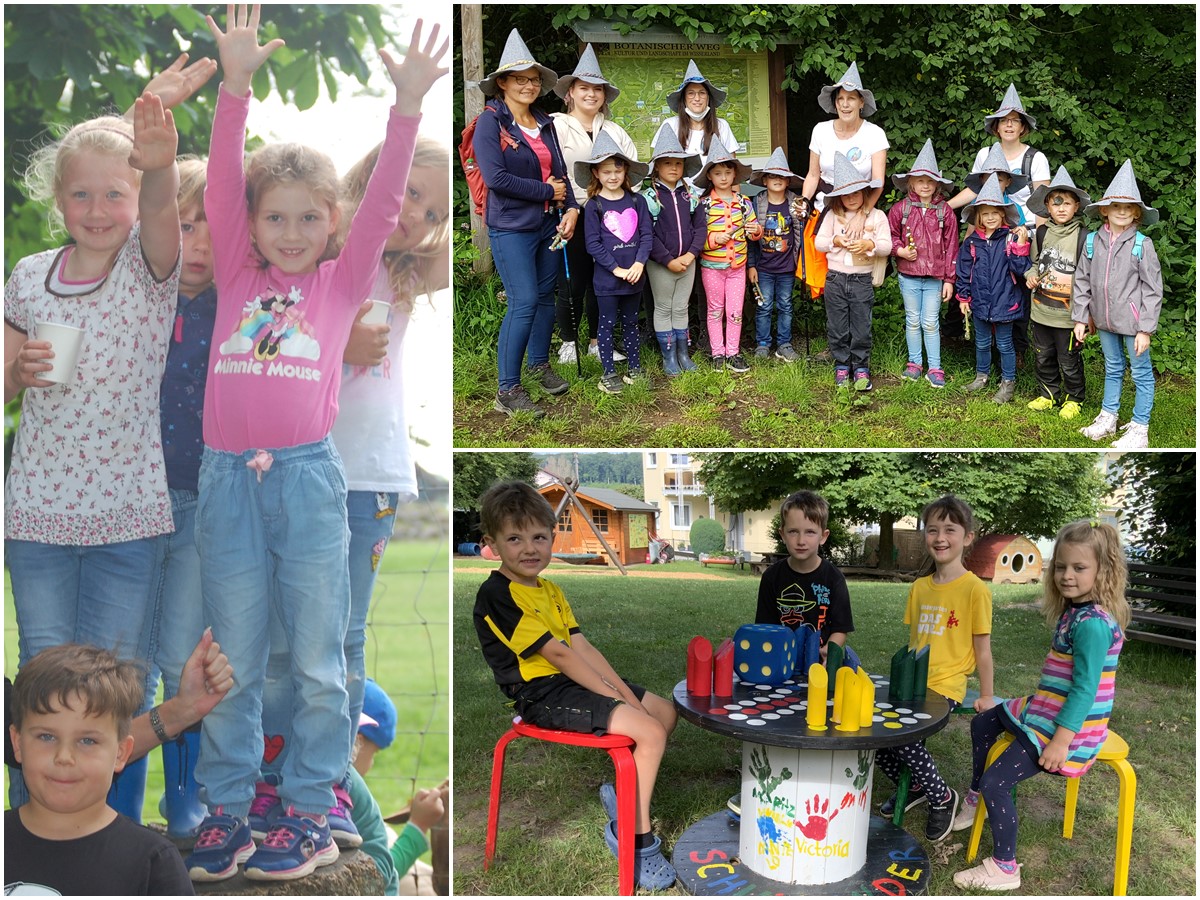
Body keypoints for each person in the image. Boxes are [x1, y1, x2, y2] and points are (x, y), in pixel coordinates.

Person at [184, 7, 445, 882]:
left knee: (323, 659)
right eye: (274, 218)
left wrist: (405, 108)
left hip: (307, 483)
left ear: (332, 225)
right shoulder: (234, 274)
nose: (290, 233)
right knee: (235, 656)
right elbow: (222, 181)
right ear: (250, 225)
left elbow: (381, 204)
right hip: (227, 484)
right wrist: (237, 86)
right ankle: (226, 812)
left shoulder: (339, 283)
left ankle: (306, 808)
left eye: (308, 219)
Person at [4, 93, 182, 821]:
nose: (99, 207)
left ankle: (114, 834)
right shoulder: (27, 275)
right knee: (43, 685)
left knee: (116, 688)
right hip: (38, 516)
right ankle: (29, 839)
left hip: (128, 517)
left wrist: (163, 165)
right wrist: (12, 372)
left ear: (138, 198)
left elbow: (167, 216)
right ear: (58, 199)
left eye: (117, 192)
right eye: (81, 192)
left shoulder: (149, 267)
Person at [472, 481, 678, 891]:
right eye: (514, 538)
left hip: (572, 683)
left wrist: (619, 690)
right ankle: (634, 840)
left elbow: (582, 647)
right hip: (541, 694)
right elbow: (561, 656)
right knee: (649, 732)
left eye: (539, 537)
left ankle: (625, 801)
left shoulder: (550, 589)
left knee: (663, 713)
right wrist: (619, 701)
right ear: (491, 544)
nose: (529, 548)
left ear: (551, 538)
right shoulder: (497, 594)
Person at [951, 521, 1129, 892]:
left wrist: (1061, 743)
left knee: (996, 783)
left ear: (1102, 571)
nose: (1066, 575)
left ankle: (1004, 868)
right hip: (1045, 707)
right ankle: (972, 797)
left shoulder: (1093, 625)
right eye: (1061, 566)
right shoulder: (1075, 611)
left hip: (1068, 728)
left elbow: (1084, 691)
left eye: (1079, 568)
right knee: (984, 722)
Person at [5, 644, 194, 895]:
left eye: (87, 741)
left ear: (120, 753)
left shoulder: (153, 863)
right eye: (46, 737)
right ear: (17, 743)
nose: (64, 757)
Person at [875, 495, 995, 843]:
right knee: (877, 738)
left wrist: (986, 695)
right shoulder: (919, 588)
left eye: (950, 530)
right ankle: (914, 786)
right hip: (911, 683)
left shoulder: (975, 590)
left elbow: (983, 651)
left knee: (907, 738)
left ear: (968, 536)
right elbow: (915, 641)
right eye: (932, 530)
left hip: (946, 686)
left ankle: (942, 796)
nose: (940, 537)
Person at [474, 29, 578, 419]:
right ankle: (507, 389)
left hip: (550, 224)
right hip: (511, 227)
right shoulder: (490, 124)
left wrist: (570, 209)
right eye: (520, 79)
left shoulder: (545, 122)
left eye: (534, 79)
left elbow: (562, 173)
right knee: (523, 302)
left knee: (547, 295)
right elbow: (496, 179)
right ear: (502, 83)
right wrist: (546, 193)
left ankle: (539, 364)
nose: (529, 85)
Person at [948, 85, 1051, 361]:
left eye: (1014, 120)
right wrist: (947, 208)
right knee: (986, 283)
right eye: (1004, 120)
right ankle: (987, 349)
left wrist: (1038, 242)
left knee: (1016, 289)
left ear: (1022, 127)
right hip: (989, 231)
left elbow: (1042, 203)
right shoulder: (985, 154)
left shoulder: (1035, 158)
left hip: (1022, 233)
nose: (1008, 125)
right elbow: (977, 196)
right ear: (996, 126)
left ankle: (1016, 351)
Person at [551, 44, 638, 365]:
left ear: (604, 95)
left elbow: (633, 173)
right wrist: (567, 204)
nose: (591, 94)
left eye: (597, 89)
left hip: (611, 218)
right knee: (572, 281)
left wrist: (624, 207)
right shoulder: (555, 126)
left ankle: (595, 341)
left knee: (603, 281)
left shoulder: (615, 131)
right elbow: (550, 168)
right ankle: (568, 342)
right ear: (570, 92)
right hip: (571, 213)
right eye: (583, 88)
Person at [1073, 159, 1163, 450]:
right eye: (1116, 206)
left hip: (1133, 324)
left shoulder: (1141, 245)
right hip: (1104, 322)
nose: (1122, 211)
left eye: (1128, 207)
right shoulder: (1092, 242)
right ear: (1105, 210)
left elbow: (1152, 289)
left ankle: (1140, 427)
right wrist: (1081, 317)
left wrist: (1145, 329)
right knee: (1112, 367)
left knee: (1140, 373)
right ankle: (1108, 417)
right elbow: (1082, 281)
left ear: (1136, 212)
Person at [578, 132, 653, 394]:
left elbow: (646, 235)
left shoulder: (637, 201)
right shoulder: (593, 206)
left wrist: (639, 264)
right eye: (607, 171)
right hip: (607, 280)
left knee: (632, 322)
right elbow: (593, 244)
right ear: (596, 174)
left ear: (626, 172)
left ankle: (635, 367)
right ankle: (608, 372)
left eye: (617, 171)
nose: (613, 176)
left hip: (635, 277)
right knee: (607, 324)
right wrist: (616, 268)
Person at [814, 151, 891, 393]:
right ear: (838, 197)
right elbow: (819, 242)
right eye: (846, 194)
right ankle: (841, 365)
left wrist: (870, 245)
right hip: (835, 278)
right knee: (837, 325)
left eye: (856, 192)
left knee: (861, 326)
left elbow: (887, 245)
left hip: (861, 279)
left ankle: (860, 366)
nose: (851, 198)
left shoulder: (877, 216)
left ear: (865, 193)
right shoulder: (832, 217)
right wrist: (835, 240)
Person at [754, 491, 857, 666]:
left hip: (818, 665)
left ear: (823, 536)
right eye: (793, 532)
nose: (801, 540)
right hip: (778, 663)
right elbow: (765, 628)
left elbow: (841, 628)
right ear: (782, 534)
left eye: (810, 532)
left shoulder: (834, 578)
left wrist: (829, 650)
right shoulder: (771, 577)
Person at [886, 139, 958, 387]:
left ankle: (935, 367)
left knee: (931, 321)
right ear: (911, 183)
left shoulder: (945, 211)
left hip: (936, 277)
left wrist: (950, 279)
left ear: (937, 184)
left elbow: (951, 247)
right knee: (913, 320)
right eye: (920, 180)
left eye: (930, 181)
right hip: (909, 275)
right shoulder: (900, 209)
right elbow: (890, 237)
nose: (925, 185)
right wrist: (900, 251)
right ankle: (915, 363)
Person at [954, 174, 1031, 404]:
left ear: (1003, 215)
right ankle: (982, 375)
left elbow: (1021, 269)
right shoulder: (971, 242)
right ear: (978, 216)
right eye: (985, 213)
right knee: (982, 341)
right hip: (980, 301)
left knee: (1006, 344)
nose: (990, 217)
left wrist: (1020, 247)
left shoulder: (1009, 238)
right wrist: (964, 297)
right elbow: (964, 271)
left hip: (1005, 301)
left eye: (994, 213)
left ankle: (1008, 383)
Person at [1023, 166, 1091, 419]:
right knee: (1042, 356)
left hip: (1069, 316)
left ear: (1076, 207)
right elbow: (1033, 264)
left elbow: (1089, 279)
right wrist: (1030, 276)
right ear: (1047, 207)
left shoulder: (1084, 237)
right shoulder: (1041, 233)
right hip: (1041, 311)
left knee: (1069, 359)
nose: (1061, 208)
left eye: (1067, 203)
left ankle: (1074, 398)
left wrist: (1086, 315)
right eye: (1055, 203)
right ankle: (1049, 394)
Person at [800, 62, 888, 241]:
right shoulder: (820, 130)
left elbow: (878, 183)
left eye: (851, 99)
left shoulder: (875, 133)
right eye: (840, 99)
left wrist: (861, 216)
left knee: (853, 264)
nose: (845, 105)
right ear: (835, 102)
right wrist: (803, 202)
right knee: (815, 266)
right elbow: (813, 175)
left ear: (861, 102)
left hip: (860, 210)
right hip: (823, 209)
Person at [643, 123, 704, 377]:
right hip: (661, 264)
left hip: (688, 262)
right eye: (667, 163)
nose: (673, 168)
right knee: (663, 307)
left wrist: (690, 255)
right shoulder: (648, 197)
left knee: (681, 307)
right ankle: (668, 357)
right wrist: (668, 260)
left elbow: (700, 228)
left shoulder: (691, 196)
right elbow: (648, 234)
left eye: (678, 164)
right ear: (657, 166)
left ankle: (683, 354)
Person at [695, 137, 761, 373]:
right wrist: (714, 240)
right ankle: (717, 354)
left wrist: (756, 231)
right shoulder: (703, 205)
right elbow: (697, 239)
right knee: (715, 310)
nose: (723, 177)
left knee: (735, 311)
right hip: (712, 267)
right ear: (710, 177)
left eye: (727, 172)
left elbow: (754, 232)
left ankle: (733, 352)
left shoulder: (744, 203)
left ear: (734, 175)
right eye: (718, 173)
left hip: (737, 268)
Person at [747, 148, 806, 362]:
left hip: (786, 267)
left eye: (782, 176)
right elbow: (751, 238)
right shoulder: (757, 203)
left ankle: (784, 343)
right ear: (764, 180)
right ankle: (762, 343)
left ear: (788, 181)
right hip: (763, 267)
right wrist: (751, 265)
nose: (777, 180)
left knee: (785, 305)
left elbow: (801, 234)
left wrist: (799, 263)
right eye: (772, 175)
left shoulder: (795, 203)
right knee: (763, 306)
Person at [659, 60, 739, 165]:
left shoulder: (722, 126)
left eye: (702, 93)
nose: (697, 98)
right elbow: (660, 163)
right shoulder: (670, 125)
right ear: (684, 99)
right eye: (691, 93)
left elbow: (731, 164)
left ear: (708, 98)